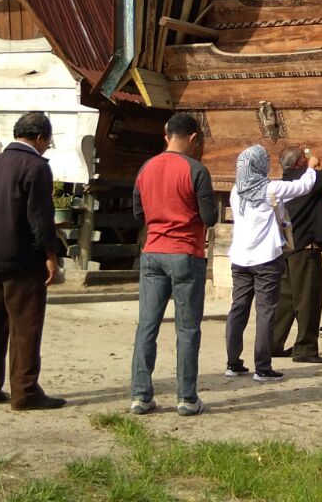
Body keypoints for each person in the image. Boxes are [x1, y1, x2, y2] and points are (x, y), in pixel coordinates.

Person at [0, 111, 65, 410]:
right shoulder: (36, 167)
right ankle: (25, 391)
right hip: (22, 257)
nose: (47, 147)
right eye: (48, 142)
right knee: (25, 326)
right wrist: (51, 254)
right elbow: (39, 218)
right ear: (40, 138)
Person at [129, 112, 218, 417]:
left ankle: (141, 396)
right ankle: (187, 398)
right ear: (194, 138)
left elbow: (139, 215)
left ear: (165, 135)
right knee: (188, 329)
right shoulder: (196, 170)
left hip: (153, 251)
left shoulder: (145, 168)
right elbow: (210, 217)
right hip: (185, 253)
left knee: (147, 326)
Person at [225, 144, 318, 382]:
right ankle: (262, 367)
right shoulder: (270, 188)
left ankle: (233, 363)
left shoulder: (236, 190)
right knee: (265, 313)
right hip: (265, 259)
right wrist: (311, 166)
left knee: (238, 310)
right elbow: (304, 186)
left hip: (240, 259)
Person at [271, 145, 322, 363]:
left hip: (285, 248)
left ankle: (273, 343)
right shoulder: (306, 180)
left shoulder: (283, 183)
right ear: (297, 163)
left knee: (285, 298)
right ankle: (305, 348)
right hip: (305, 248)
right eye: (303, 158)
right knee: (308, 299)